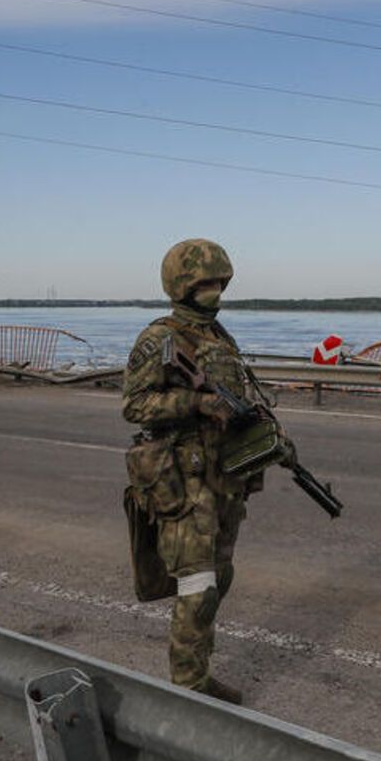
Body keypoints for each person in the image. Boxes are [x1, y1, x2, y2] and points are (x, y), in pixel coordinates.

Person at [121, 238, 262, 704]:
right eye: (205, 281)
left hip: (224, 480)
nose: (215, 289)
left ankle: (199, 672)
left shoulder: (220, 338)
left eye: (220, 281)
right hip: (185, 483)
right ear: (181, 284)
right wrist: (198, 403)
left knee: (220, 578)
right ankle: (188, 691)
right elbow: (136, 405)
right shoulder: (159, 338)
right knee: (198, 587)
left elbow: (238, 397)